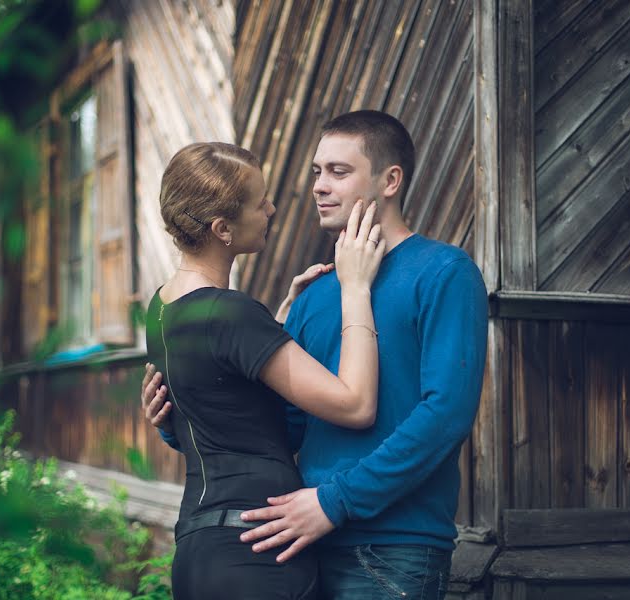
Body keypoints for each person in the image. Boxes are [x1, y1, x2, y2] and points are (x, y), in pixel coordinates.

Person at [143, 111, 489, 600]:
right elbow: (280, 428)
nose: (319, 187)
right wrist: (180, 417)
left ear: (390, 181)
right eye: (316, 172)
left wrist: (336, 501)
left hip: (391, 547)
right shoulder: (314, 295)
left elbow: (446, 415)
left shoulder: (444, 272)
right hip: (297, 542)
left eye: (338, 172)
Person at [144, 141, 387, 600]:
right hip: (258, 553)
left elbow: (225, 397)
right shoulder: (230, 314)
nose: (272, 209)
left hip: (199, 554)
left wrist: (275, 326)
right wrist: (355, 287)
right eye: (260, 202)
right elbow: (355, 405)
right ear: (222, 229)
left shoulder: (161, 307)